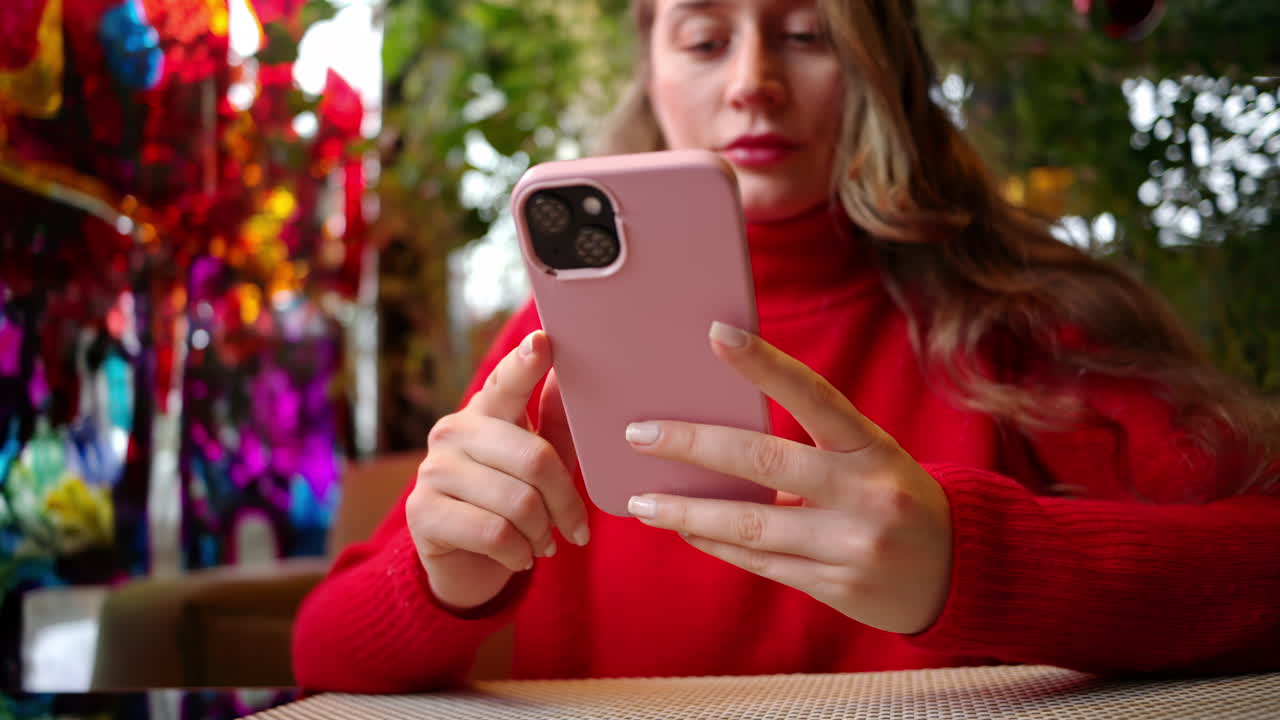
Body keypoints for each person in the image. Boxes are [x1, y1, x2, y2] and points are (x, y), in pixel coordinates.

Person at [291, 0, 1280, 692]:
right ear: (653, 70)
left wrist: (975, 563)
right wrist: (440, 577)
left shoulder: (1011, 323)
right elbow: (321, 656)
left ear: (878, 65)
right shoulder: (551, 341)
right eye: (704, 38)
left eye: (806, 33)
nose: (754, 84)